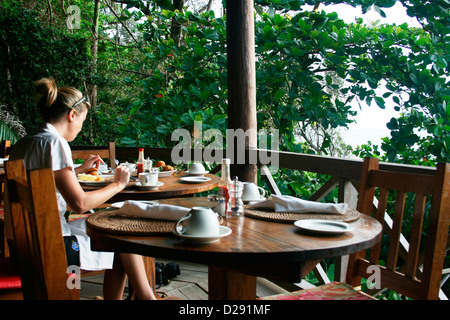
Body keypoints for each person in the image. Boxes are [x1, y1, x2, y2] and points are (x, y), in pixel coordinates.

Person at [9, 77, 157, 300]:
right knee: (121, 238)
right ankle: (146, 297)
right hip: (54, 248)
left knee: (112, 228)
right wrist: (118, 184)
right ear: (72, 115)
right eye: (82, 120)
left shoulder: (26, 143)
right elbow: (79, 203)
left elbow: (42, 181)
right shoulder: (55, 143)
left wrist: (77, 171)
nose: (80, 128)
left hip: (26, 245)